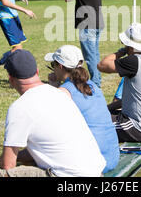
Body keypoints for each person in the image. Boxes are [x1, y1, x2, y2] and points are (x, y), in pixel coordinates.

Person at [0, 49, 106, 177]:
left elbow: (8, 165)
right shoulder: (60, 93)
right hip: (96, 171)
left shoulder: (19, 107)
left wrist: (2, 160)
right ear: (37, 72)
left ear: (11, 80)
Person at [44, 45, 119, 174]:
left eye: (53, 64)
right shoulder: (93, 86)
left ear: (60, 66)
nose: (53, 68)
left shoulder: (64, 92)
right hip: (112, 156)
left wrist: (53, 88)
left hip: (92, 163)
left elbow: (47, 125)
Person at [62, 0, 104, 88]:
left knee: (90, 57)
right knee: (94, 54)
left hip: (88, 26)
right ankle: (97, 79)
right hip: (96, 24)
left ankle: (96, 84)